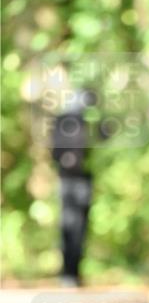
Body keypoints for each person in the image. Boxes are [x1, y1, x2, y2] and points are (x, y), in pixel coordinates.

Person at [51, 88, 98, 287]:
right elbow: (54, 151)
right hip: (67, 180)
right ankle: (67, 274)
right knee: (68, 227)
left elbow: (95, 144)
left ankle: (74, 273)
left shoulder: (86, 123)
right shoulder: (61, 122)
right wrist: (65, 158)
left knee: (80, 228)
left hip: (82, 180)